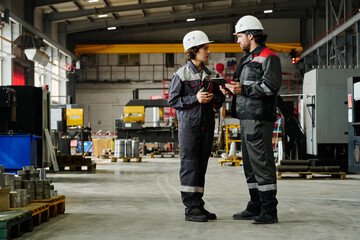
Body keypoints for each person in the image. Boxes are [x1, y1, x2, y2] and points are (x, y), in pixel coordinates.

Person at [220, 15, 282, 224]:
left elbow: (270, 87)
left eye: (239, 36)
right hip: (246, 117)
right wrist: (231, 89)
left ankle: (269, 210)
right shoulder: (247, 58)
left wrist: (243, 89)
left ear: (250, 35)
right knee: (250, 165)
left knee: (262, 164)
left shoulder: (268, 57)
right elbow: (245, 87)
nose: (238, 41)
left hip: (258, 118)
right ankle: (255, 205)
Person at [168, 30, 225, 222]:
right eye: (205, 48)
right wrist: (196, 98)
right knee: (190, 166)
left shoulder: (210, 75)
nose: (208, 51)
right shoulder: (181, 75)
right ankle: (190, 208)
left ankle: (198, 205)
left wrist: (212, 99)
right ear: (194, 50)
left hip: (207, 126)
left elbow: (220, 99)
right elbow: (173, 100)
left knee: (201, 166)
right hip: (189, 128)